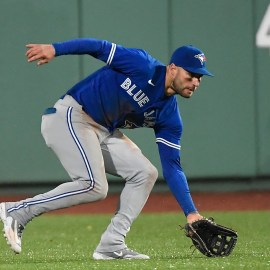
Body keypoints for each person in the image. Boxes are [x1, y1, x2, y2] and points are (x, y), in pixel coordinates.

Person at [0, 37, 213, 260]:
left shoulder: (169, 116)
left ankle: (112, 244)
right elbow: (99, 47)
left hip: (102, 130)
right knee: (94, 186)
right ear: (173, 68)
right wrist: (55, 49)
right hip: (71, 116)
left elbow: (172, 167)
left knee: (145, 173)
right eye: (191, 75)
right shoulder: (142, 65)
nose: (195, 82)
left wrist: (191, 213)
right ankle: (19, 211)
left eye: (199, 77)